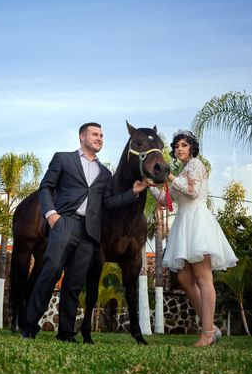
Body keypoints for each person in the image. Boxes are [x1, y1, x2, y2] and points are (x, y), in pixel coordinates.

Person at [22, 122, 150, 342]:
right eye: (95, 134)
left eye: (101, 135)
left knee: (74, 282)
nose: (99, 138)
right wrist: (51, 214)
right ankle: (29, 327)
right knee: (50, 273)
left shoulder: (105, 174)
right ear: (82, 137)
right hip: (65, 224)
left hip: (90, 232)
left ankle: (66, 334)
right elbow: (46, 187)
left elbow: (109, 202)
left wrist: (134, 192)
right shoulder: (63, 158)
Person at [150, 130, 237, 347]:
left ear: (192, 148)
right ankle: (212, 327)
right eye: (177, 146)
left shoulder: (196, 165)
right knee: (185, 279)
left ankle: (207, 332)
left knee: (202, 277)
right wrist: (151, 186)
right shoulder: (184, 170)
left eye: (184, 145)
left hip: (198, 223)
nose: (179, 149)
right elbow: (166, 201)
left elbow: (192, 192)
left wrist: (169, 175)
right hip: (183, 223)